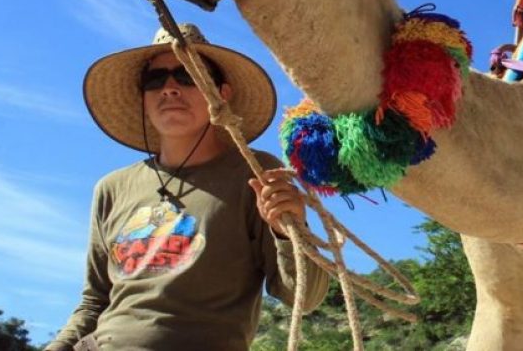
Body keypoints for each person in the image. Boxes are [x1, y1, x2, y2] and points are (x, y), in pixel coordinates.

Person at [46, 24, 329, 351]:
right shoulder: (111, 188)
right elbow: (95, 302)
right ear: (144, 98)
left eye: (187, 75)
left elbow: (305, 298)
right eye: (155, 80)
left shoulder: (255, 173)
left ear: (221, 94)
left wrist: (288, 230)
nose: (169, 88)